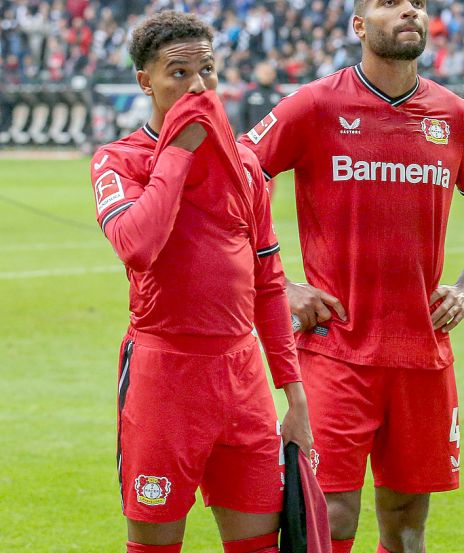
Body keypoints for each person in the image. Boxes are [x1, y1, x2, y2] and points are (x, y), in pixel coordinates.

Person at [238, 1, 464, 552]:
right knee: (332, 515)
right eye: (390, 2)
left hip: (422, 355)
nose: (410, 10)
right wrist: (281, 285)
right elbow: (234, 181)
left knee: (407, 524)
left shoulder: (455, 116)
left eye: (418, 4)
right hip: (335, 349)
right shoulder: (314, 105)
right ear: (358, 25)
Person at [88, 11, 313, 553]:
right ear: (145, 81)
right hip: (163, 378)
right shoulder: (119, 160)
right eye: (179, 73)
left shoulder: (245, 165)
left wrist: (295, 395)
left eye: (206, 70)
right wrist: (181, 150)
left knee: (259, 543)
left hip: (243, 381)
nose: (198, 86)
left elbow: (269, 282)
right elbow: (138, 246)